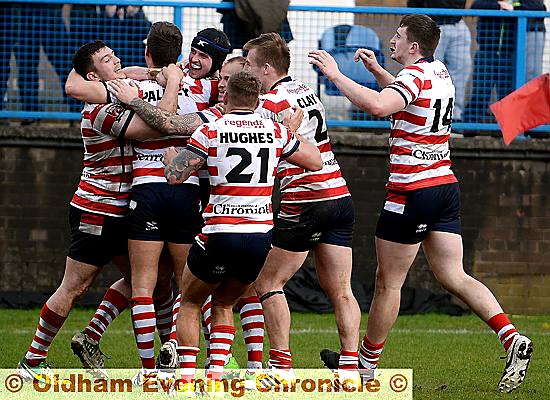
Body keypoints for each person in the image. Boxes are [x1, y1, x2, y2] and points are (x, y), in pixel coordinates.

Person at [309, 13, 533, 394]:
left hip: (411, 191)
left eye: (397, 37)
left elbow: (381, 107)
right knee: (454, 276)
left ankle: (365, 367)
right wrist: (379, 70)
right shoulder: (438, 71)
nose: (391, 41)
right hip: (444, 187)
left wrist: (336, 74)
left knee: (388, 283)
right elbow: (405, 101)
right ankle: (512, 338)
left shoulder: (413, 77)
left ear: (414, 47)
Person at [160, 70, 321, 394]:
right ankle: (215, 379)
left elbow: (175, 176)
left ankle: (188, 382)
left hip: (220, 231)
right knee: (224, 304)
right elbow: (315, 161)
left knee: (191, 301)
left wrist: (170, 160)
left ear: (228, 97)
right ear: (258, 99)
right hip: (260, 236)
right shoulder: (275, 131)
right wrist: (290, 134)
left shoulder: (211, 130)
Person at [241, 32, 361, 386]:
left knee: (267, 281)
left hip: (305, 200)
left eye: (249, 65)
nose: (246, 71)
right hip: (339, 195)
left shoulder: (271, 103)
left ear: (266, 69)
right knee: (341, 290)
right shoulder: (306, 91)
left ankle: (280, 367)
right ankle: (350, 369)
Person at [16, 40, 137, 383]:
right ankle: (32, 361)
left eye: (114, 53)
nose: (115, 59)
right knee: (74, 288)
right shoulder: (99, 107)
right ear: (91, 75)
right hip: (96, 211)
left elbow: (136, 73)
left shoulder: (116, 88)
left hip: (121, 210)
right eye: (105, 59)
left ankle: (90, 335)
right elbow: (146, 128)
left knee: (146, 281)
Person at [407, 1, 471, 123]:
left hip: (457, 23)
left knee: (461, 72)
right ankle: (428, 115)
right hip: (432, 26)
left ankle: (454, 116)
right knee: (429, 73)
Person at [463, 0, 517, 123]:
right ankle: (471, 123)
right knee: (481, 89)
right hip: (487, 51)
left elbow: (537, 8)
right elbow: (476, 5)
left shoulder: (516, 2)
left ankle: (506, 124)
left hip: (508, 54)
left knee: (507, 92)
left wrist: (512, 8)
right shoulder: (492, 3)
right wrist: (499, 6)